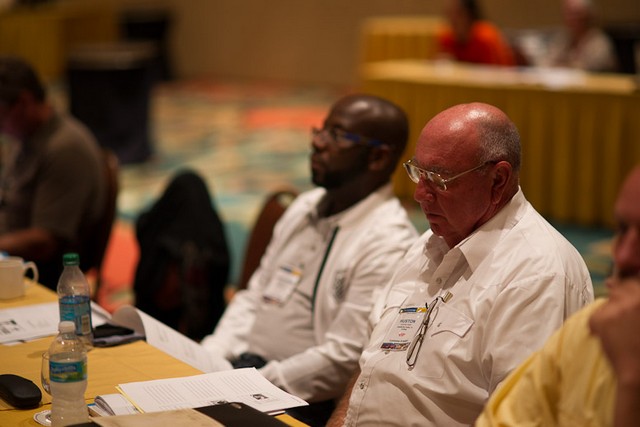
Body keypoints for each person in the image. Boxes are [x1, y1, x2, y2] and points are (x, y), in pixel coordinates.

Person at [327, 102, 593, 426]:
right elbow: (370, 365)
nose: (420, 194)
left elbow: (522, 417)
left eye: (439, 178)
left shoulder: (538, 274)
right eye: (418, 172)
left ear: (498, 179)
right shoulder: (427, 245)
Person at [200, 94, 419, 425]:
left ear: (377, 157)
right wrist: (211, 357)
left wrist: (249, 383)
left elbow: (342, 359)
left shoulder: (388, 241)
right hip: (239, 370)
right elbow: (254, 295)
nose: (317, 142)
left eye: (337, 135)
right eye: (321, 130)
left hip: (296, 398)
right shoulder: (304, 207)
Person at [476, 165, 640, 427]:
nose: (623, 256)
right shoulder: (590, 327)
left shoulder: (542, 272)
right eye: (621, 229)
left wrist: (631, 383)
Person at [0, 55, 106, 289]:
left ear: (24, 103)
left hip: (37, 273)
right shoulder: (25, 136)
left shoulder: (65, 149)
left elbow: (44, 242)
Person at [436, 0, 516, 66]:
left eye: (458, 13)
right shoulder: (447, 38)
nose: (452, 19)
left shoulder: (486, 38)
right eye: (449, 13)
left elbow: (495, 72)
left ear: (470, 14)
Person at [545, 0, 618, 72]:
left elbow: (590, 68)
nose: (571, 18)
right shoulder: (563, 38)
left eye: (576, 14)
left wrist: (565, 64)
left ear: (588, 16)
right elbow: (547, 62)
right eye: (568, 13)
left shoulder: (600, 42)